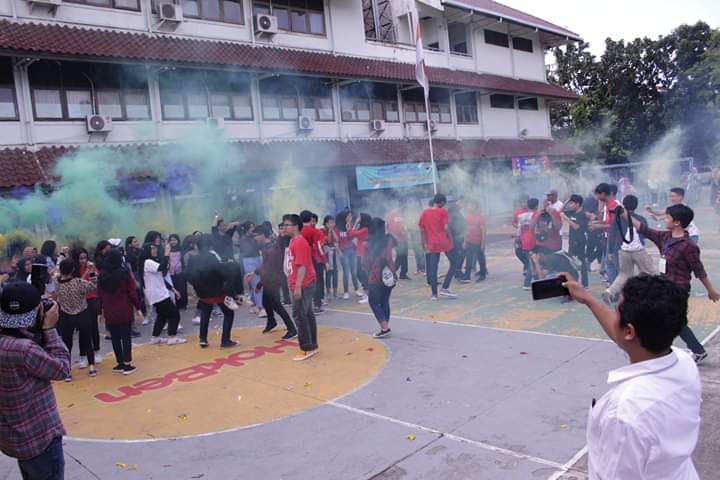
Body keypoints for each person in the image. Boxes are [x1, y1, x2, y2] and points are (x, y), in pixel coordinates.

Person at [563, 275, 701, 479]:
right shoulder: (684, 362)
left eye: (617, 310)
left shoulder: (625, 413)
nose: (613, 315)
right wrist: (588, 299)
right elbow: (624, 334)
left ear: (629, 331)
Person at [629, 204, 719, 364]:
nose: (665, 219)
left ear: (677, 222)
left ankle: (664, 350)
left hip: (678, 289)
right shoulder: (665, 237)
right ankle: (695, 350)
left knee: (672, 320)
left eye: (667, 217)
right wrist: (624, 214)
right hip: (665, 286)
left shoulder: (689, 246)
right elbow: (644, 229)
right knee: (674, 321)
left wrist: (711, 290)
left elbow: (699, 270)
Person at [0, 282, 69, 480]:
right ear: (37, 312)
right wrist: (49, 328)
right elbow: (62, 368)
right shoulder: (24, 350)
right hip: (39, 438)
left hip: (15, 438)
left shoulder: (8, 342)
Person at [186, 234, 238, 349]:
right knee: (229, 313)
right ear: (210, 245)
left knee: (205, 312)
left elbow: (189, 276)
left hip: (202, 293)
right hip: (217, 292)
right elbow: (221, 273)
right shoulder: (211, 257)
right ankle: (225, 341)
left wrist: (198, 286)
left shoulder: (192, 259)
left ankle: (203, 339)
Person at [603, 195, 656, 303]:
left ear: (623, 204)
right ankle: (651, 295)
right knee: (650, 272)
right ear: (636, 206)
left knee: (623, 274)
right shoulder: (641, 219)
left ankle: (610, 291)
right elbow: (645, 233)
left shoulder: (617, 218)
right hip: (638, 250)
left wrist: (610, 251)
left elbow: (611, 235)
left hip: (623, 250)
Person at [97, 249, 140, 375]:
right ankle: (127, 364)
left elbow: (99, 295)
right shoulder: (124, 273)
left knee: (115, 337)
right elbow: (132, 292)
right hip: (124, 309)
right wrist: (138, 308)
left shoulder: (102, 275)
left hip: (109, 311)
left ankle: (120, 363)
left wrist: (99, 312)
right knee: (126, 337)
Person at [283, 214, 318, 361]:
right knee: (307, 314)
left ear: (296, 226)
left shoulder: (299, 242)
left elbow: (302, 266)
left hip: (303, 284)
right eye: (284, 225)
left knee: (299, 315)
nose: (284, 228)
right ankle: (312, 345)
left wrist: (297, 287)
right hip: (298, 283)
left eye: (287, 225)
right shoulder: (293, 241)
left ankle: (306, 348)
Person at [55, 258, 97, 379]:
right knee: (87, 340)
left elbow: (56, 274)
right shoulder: (79, 282)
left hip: (66, 315)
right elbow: (93, 286)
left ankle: (68, 371)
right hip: (82, 313)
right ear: (73, 269)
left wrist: (60, 261)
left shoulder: (57, 283)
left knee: (67, 344)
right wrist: (92, 272)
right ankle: (92, 367)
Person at [253, 225, 297, 339]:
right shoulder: (267, 247)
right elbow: (266, 266)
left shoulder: (271, 249)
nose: (255, 238)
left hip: (272, 281)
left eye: (256, 235)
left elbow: (269, 269)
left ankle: (292, 329)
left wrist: (258, 278)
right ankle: (271, 321)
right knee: (266, 302)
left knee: (277, 305)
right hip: (269, 280)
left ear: (263, 235)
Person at [140, 241, 186, 346]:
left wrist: (173, 289)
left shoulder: (150, 262)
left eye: (155, 248)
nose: (155, 250)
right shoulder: (147, 262)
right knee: (174, 314)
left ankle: (155, 337)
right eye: (152, 248)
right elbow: (162, 266)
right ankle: (172, 337)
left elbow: (161, 278)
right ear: (147, 251)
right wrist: (167, 252)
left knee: (162, 315)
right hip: (158, 294)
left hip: (157, 293)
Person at [362, 218, 396, 338]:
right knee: (385, 300)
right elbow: (392, 256)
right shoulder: (389, 239)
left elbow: (365, 263)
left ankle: (384, 328)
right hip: (389, 274)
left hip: (375, 275)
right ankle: (385, 324)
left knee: (373, 302)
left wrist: (367, 271)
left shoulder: (367, 244)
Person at [419, 193, 458, 300]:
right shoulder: (442, 211)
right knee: (454, 262)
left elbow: (422, 230)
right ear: (441, 202)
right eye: (444, 203)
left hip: (432, 243)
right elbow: (446, 227)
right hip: (443, 241)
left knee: (433, 268)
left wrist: (423, 243)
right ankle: (445, 287)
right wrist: (451, 238)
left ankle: (434, 294)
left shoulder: (425, 212)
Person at [300, 211, 326, 312]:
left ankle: (307, 304)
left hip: (302, 259)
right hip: (314, 258)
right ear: (311, 219)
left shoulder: (298, 231)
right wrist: (325, 260)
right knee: (316, 281)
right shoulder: (315, 232)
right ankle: (317, 304)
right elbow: (319, 247)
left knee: (305, 281)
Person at [561, 194, 589, 287]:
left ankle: (585, 283)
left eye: (572, 203)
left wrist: (567, 219)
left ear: (578, 204)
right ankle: (574, 281)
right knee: (571, 262)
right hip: (572, 241)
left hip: (580, 241)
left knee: (581, 262)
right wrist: (567, 200)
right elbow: (560, 211)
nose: (570, 205)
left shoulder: (582, 214)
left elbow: (577, 227)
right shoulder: (571, 212)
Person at [336, 210, 361, 300]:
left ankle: (357, 289)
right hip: (344, 252)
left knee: (354, 272)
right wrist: (339, 252)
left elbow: (355, 237)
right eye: (348, 216)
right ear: (344, 217)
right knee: (346, 272)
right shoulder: (338, 228)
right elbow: (336, 242)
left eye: (351, 216)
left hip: (352, 251)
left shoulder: (352, 226)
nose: (350, 218)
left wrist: (351, 228)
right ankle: (346, 292)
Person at [461, 198, 487, 283]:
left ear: (475, 207)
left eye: (471, 206)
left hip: (477, 242)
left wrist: (483, 243)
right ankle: (467, 276)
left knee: (480, 258)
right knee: (468, 259)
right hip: (469, 241)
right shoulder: (468, 217)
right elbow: (465, 230)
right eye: (469, 205)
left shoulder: (480, 218)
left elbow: (483, 231)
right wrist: (464, 241)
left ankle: (483, 274)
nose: (469, 207)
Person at [517, 198, 539, 289]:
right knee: (533, 262)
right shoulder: (536, 215)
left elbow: (519, 230)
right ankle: (527, 283)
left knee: (531, 261)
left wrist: (519, 240)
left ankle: (536, 279)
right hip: (533, 240)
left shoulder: (522, 216)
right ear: (536, 206)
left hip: (525, 241)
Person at [349, 213, 371, 304]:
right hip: (360, 252)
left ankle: (368, 294)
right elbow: (351, 234)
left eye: (360, 217)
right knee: (360, 273)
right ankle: (366, 292)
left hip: (363, 253)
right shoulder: (363, 228)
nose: (358, 218)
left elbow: (352, 233)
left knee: (362, 273)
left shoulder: (365, 229)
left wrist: (355, 223)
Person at [385, 206, 410, 280]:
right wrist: (402, 232)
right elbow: (397, 228)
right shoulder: (395, 215)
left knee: (404, 257)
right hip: (399, 239)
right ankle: (391, 272)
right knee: (400, 257)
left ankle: (403, 274)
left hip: (400, 239)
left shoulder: (392, 214)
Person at [167, 234, 188, 311]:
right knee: (174, 288)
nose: (173, 242)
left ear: (178, 241)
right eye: (171, 240)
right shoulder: (167, 250)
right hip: (171, 273)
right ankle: (176, 305)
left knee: (182, 289)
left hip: (180, 272)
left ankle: (183, 304)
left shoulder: (182, 249)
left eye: (174, 240)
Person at [322, 215, 340, 300]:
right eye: (330, 223)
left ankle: (335, 292)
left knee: (335, 273)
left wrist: (332, 230)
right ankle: (328, 293)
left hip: (334, 254)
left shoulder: (336, 230)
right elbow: (328, 241)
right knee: (328, 274)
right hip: (326, 254)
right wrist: (329, 231)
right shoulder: (322, 231)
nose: (332, 224)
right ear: (326, 223)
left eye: (333, 222)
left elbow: (337, 240)